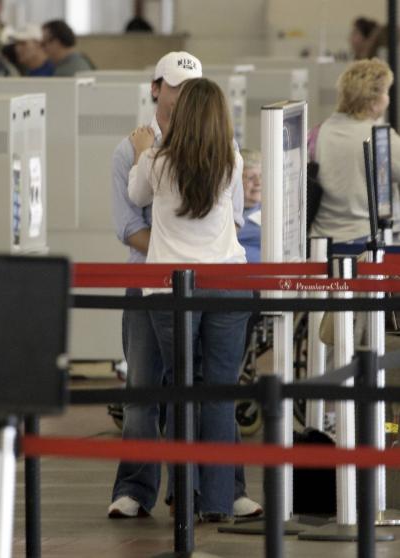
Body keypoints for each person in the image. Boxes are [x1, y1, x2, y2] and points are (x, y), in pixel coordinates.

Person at [108, 52, 262, 520]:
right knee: (214, 390)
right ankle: (209, 499)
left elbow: (138, 198)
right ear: (156, 88)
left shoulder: (153, 159)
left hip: (169, 286)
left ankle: (187, 500)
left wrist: (144, 156)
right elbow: (232, 221)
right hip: (226, 281)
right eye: (174, 84)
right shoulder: (230, 158)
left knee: (180, 386)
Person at [309, 58, 400, 243]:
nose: (388, 98)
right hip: (367, 240)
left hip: (322, 239)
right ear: (374, 101)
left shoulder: (317, 132)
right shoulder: (381, 137)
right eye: (386, 92)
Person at [237, 149, 262, 262]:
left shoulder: (271, 212)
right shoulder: (227, 213)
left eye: (261, 176)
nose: (258, 182)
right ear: (236, 181)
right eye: (251, 177)